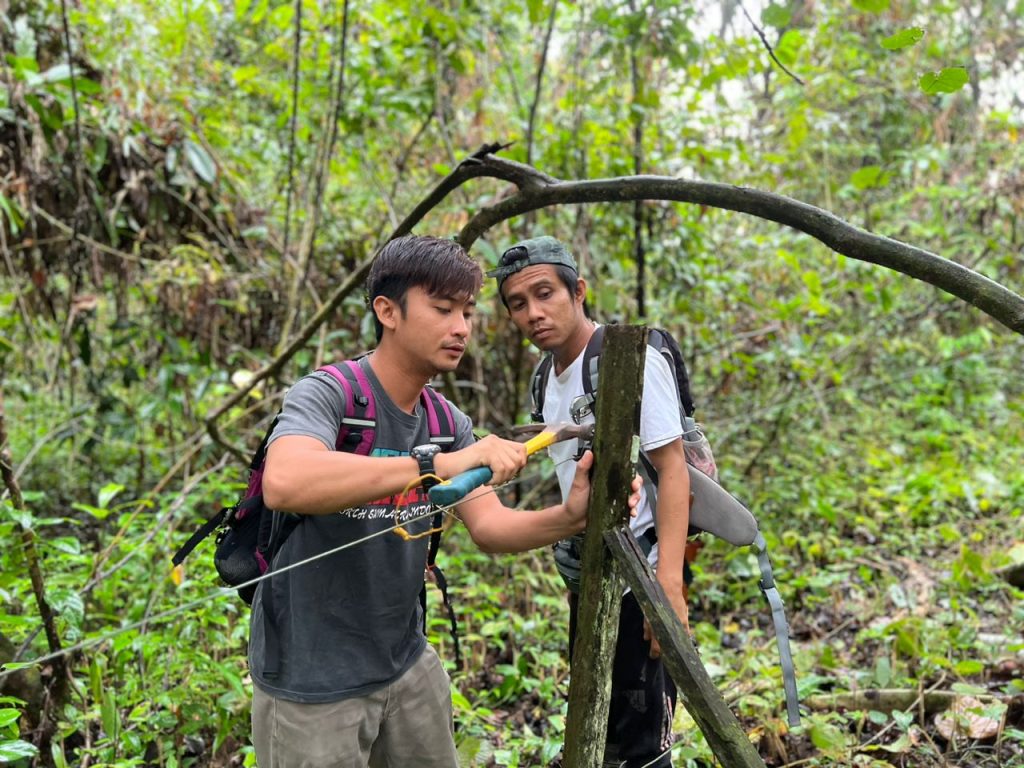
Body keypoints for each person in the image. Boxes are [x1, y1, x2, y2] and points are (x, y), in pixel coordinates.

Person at [249, 234, 640, 768]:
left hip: (405, 663)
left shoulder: (445, 421)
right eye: (442, 309)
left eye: (467, 312)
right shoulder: (331, 393)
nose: (460, 328)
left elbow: (491, 528)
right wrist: (433, 466)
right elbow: (286, 482)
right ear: (387, 311)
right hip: (310, 682)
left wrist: (570, 517)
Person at [491, 235, 691, 768]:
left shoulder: (628, 356)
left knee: (645, 743)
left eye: (544, 294)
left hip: (644, 572)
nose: (534, 313)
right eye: (518, 303)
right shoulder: (544, 377)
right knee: (598, 723)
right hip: (591, 572)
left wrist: (667, 586)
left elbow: (672, 471)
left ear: (578, 291)